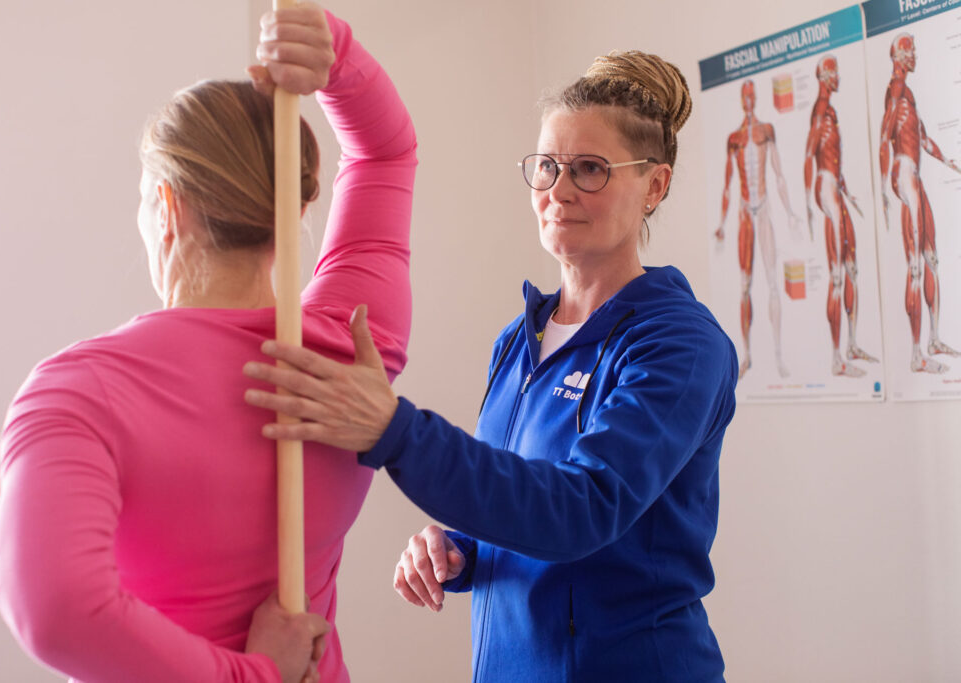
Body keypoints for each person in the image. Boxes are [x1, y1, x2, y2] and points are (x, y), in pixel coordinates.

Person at [245, 50, 737, 682]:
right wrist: (461, 549)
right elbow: (525, 499)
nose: (559, 191)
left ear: (655, 186)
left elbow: (582, 511)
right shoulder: (520, 338)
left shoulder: (680, 345)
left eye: (590, 170)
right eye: (547, 167)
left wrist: (394, 432)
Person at [0, 6, 416, 683]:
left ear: (168, 208)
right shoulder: (350, 349)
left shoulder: (79, 391)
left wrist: (253, 674)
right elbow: (384, 154)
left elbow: (54, 612)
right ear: (293, 206)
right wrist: (333, 53)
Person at [878, 32, 961, 374]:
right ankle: (916, 354)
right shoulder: (896, 87)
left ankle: (934, 338)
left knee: (931, 259)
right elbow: (885, 136)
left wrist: (950, 162)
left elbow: (923, 139)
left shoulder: (907, 94)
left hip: (916, 173)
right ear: (899, 55)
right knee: (914, 266)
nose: (914, 55)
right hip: (904, 172)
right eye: (910, 50)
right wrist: (884, 186)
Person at [714, 79, 802, 379]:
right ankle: (748, 356)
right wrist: (721, 224)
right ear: (742, 100)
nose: (749, 100)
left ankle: (778, 355)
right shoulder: (734, 138)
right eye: (745, 96)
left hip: (763, 210)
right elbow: (727, 185)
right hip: (744, 213)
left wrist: (790, 213)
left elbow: (778, 174)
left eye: (752, 95)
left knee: (774, 282)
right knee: (744, 286)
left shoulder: (767, 131)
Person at [803, 54, 878, 378]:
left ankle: (852, 344)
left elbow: (832, 158)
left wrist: (849, 192)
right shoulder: (820, 110)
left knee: (851, 269)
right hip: (826, 188)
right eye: (833, 72)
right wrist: (809, 202)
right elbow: (810, 156)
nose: (837, 77)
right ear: (823, 76)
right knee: (836, 275)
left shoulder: (830, 111)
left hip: (836, 186)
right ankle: (836, 358)